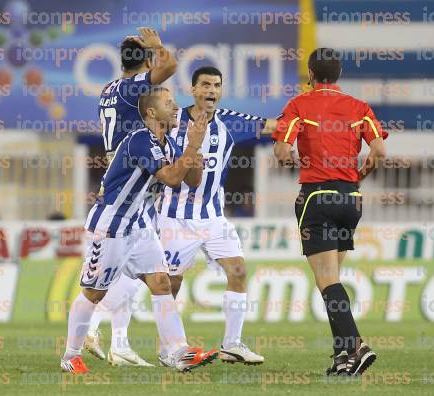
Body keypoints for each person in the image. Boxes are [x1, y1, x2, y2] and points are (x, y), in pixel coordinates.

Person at [86, 66, 277, 366]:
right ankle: (154, 345)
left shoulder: (230, 121)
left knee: (238, 271)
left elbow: (275, 126)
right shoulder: (173, 121)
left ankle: (232, 345)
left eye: (216, 85)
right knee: (164, 283)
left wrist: (299, 128)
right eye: (205, 85)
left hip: (214, 217)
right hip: (173, 218)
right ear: (194, 89)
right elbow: (139, 147)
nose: (211, 90)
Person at [60, 86, 218, 373]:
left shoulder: (168, 143)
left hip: (139, 227)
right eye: (168, 103)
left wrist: (198, 145)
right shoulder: (140, 141)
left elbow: (192, 180)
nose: (175, 107)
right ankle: (70, 356)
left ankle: (177, 351)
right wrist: (192, 147)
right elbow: (170, 177)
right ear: (150, 112)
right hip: (111, 226)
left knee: (161, 282)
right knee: (93, 293)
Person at [272, 48, 387, 376]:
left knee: (326, 282)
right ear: (338, 75)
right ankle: (343, 358)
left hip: (317, 197)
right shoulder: (359, 108)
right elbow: (378, 149)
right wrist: (359, 176)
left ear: (310, 74)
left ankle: (356, 345)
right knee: (333, 280)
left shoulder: (299, 105)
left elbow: (282, 150)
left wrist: (292, 161)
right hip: (351, 200)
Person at [83, 27, 177, 366]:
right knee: (137, 268)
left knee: (128, 270)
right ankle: (92, 329)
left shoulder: (108, 90)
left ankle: (119, 343)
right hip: (132, 179)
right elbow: (169, 68)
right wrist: (158, 47)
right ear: (146, 62)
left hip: (121, 174)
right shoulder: (131, 89)